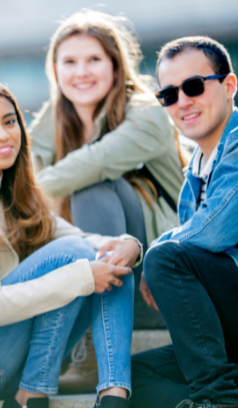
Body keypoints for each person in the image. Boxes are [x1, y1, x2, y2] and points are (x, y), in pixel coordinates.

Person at [0, 77, 142, 408]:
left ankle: (113, 396)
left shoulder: (17, 195)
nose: (3, 134)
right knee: (76, 260)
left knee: (110, 261)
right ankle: (33, 392)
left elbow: (82, 240)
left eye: (10, 122)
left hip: (10, 356)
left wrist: (129, 244)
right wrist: (82, 276)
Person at [29, 10, 186, 331]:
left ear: (115, 65)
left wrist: (20, 196)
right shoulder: (54, 118)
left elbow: (90, 165)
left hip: (159, 280)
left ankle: (100, 347)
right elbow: (22, 173)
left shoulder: (149, 114)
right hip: (86, 271)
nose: (81, 72)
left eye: (94, 60)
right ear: (55, 70)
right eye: (69, 62)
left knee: (92, 188)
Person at [131, 36, 238, 408]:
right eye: (168, 95)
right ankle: (218, 403)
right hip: (230, 336)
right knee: (133, 378)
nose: (182, 102)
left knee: (165, 258)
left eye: (194, 86)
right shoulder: (194, 171)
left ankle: (220, 399)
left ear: (229, 86)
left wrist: (157, 254)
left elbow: (216, 231)